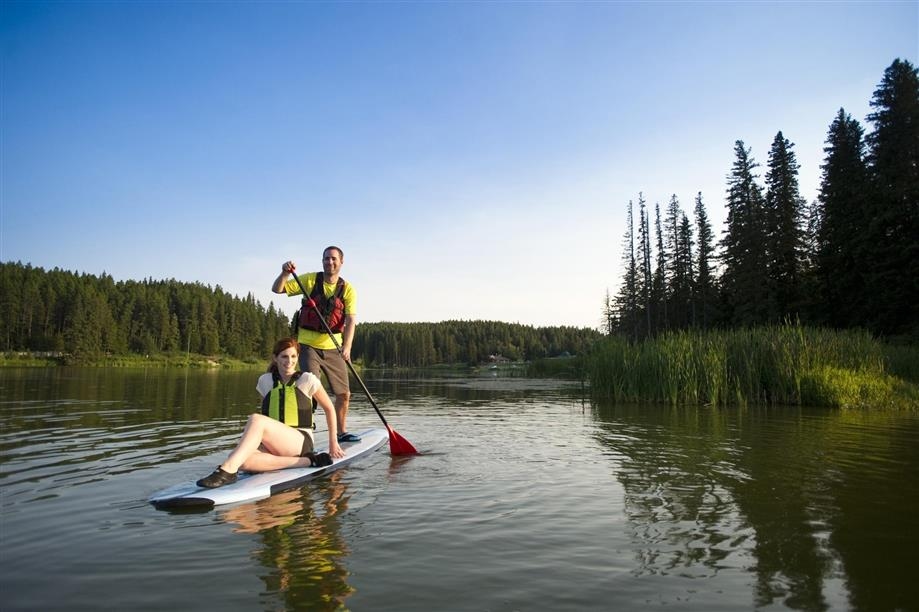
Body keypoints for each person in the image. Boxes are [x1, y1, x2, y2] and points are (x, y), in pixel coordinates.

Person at [196, 338, 345, 489]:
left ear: (298, 357)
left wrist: (333, 443)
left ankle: (225, 471)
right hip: (275, 443)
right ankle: (309, 461)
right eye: (284, 356)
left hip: (300, 441)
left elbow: (329, 409)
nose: (289, 361)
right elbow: (266, 414)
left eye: (293, 356)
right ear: (275, 358)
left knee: (255, 420)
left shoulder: (307, 380)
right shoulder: (264, 381)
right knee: (242, 460)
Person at [272, 246, 361, 443]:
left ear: (341, 262)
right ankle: (302, 432)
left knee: (344, 394)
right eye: (326, 259)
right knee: (309, 388)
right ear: (322, 261)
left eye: (333, 259)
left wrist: (347, 347)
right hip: (308, 346)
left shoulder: (347, 289)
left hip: (334, 348)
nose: (330, 262)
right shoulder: (310, 280)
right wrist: (285, 273)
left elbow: (351, 320)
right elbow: (277, 289)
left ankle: (341, 432)